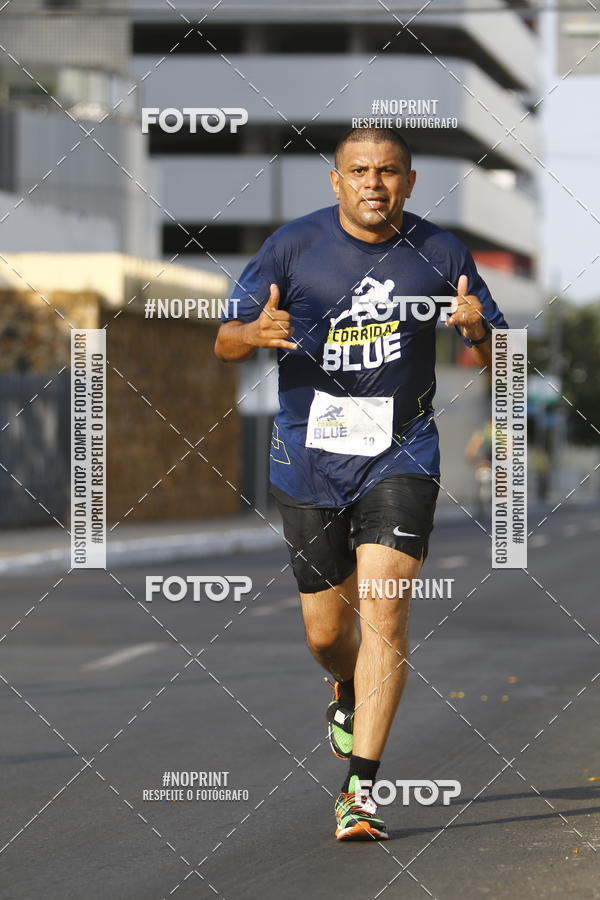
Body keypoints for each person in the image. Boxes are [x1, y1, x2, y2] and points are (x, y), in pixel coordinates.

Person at [215, 127, 508, 840]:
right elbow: (225, 339)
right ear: (336, 181)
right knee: (325, 632)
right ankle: (343, 684)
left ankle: (361, 792)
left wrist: (478, 333)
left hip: (400, 454)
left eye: (388, 172)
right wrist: (252, 335)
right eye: (359, 171)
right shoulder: (292, 246)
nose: (373, 183)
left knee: (386, 610)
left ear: (408, 183)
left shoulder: (441, 253)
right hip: (309, 459)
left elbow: (504, 364)